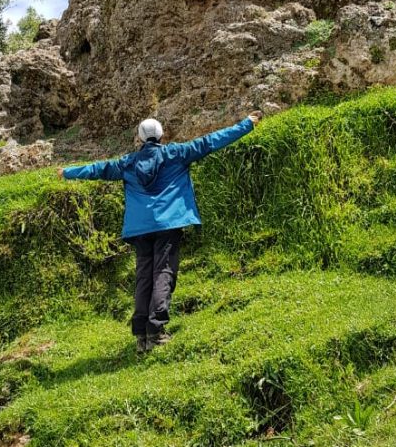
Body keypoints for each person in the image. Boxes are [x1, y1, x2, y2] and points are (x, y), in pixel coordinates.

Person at [58, 111, 263, 353]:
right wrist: (246, 124)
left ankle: (141, 335)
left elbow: (97, 169)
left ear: (140, 138)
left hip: (140, 227)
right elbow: (211, 141)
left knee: (144, 276)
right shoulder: (176, 153)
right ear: (161, 135)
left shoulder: (127, 163)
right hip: (168, 223)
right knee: (163, 272)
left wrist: (67, 172)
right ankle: (156, 330)